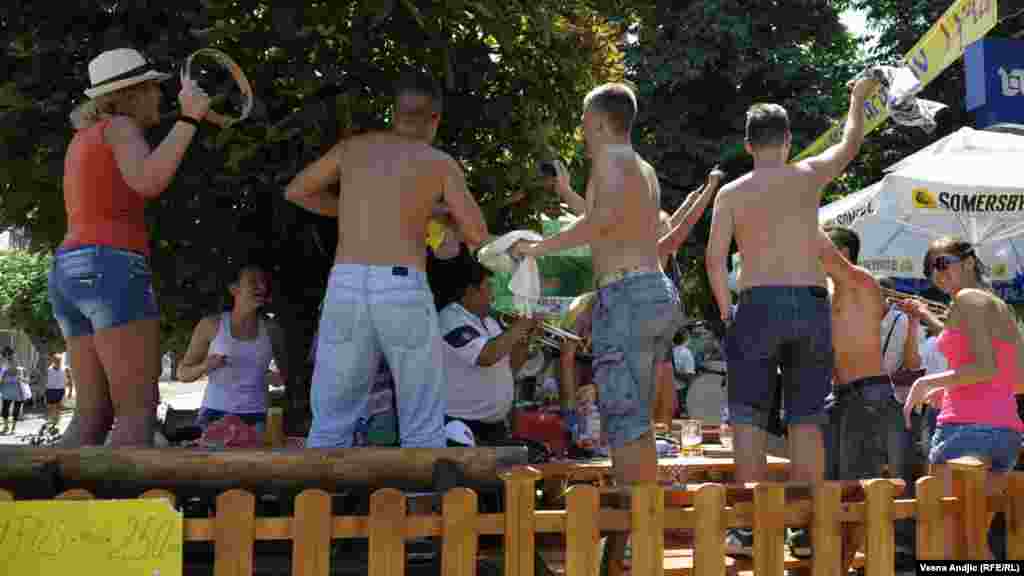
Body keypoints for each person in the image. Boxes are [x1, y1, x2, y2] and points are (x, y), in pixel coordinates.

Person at [512, 83, 683, 575]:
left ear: (601, 121)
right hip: (650, 292)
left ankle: (634, 541)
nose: (582, 131)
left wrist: (535, 249)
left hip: (627, 295)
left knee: (625, 425)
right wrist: (566, 192)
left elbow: (597, 226)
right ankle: (635, 534)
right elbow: (612, 221)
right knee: (636, 424)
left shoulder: (609, 162)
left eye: (585, 121)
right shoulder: (640, 167)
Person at [705, 75, 878, 556]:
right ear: (787, 141)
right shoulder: (808, 175)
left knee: (748, 418)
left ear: (747, 144)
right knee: (806, 418)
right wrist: (856, 99)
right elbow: (850, 144)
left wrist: (727, 311)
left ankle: (748, 530)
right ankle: (805, 532)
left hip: (756, 304)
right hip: (808, 302)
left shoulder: (731, 194)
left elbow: (714, 260)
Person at [286, 69, 489, 448]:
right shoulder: (438, 162)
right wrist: (429, 214)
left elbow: (297, 191)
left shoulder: (352, 149)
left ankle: (319, 504)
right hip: (401, 285)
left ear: (394, 112)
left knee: (330, 422)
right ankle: (421, 505)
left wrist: (352, 210)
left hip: (345, 281)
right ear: (435, 119)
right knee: (422, 422)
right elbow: (477, 234)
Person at [47, 48, 210, 447]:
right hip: (110, 266)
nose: (160, 95)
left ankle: (50, 505)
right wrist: (190, 119)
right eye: (154, 87)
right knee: (136, 415)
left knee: (91, 416)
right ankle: (123, 511)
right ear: (132, 93)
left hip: (68, 269)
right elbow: (149, 181)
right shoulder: (120, 127)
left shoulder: (85, 137)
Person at [548, 158, 722, 431]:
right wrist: (709, 190)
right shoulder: (650, 251)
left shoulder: (644, 246)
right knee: (648, 404)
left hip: (643, 322)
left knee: (657, 404)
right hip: (638, 322)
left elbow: (673, 224)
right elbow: (677, 232)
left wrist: (694, 198)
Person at [903, 237, 1024, 559]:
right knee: (970, 543)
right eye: (930, 269)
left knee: (947, 542)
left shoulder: (967, 299)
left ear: (969, 261)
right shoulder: (1000, 306)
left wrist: (928, 383)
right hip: (1005, 433)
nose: (937, 275)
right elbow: (1017, 379)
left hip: (964, 429)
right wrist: (952, 386)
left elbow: (984, 368)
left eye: (943, 263)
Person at [818, 228, 906, 567]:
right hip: (841, 398)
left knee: (860, 493)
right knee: (841, 495)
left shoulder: (861, 281)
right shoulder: (829, 293)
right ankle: (837, 567)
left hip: (867, 395)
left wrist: (793, 197)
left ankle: (847, 567)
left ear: (840, 250)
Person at [177, 263, 288, 432]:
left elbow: (287, 376)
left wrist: (278, 378)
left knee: (258, 460)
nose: (262, 286)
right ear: (233, 289)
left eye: (263, 282)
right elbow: (183, 374)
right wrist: (204, 366)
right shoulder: (211, 325)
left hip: (258, 416)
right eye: (253, 281)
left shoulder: (272, 329)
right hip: (215, 414)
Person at [440, 260, 538, 444]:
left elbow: (510, 368)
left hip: (494, 427)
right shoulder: (451, 318)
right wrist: (521, 325)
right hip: (462, 424)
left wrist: (526, 339)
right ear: (471, 291)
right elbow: (486, 356)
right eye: (489, 287)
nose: (492, 296)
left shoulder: (490, 322)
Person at [1, 347, 27, 435]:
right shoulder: (4, 364)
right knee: (5, 409)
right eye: (6, 354)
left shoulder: (16, 364)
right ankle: (6, 426)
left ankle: (13, 428)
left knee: (16, 408)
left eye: (9, 354)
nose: (8, 356)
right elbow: (2, 377)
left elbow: (18, 374)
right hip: (7, 388)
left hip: (17, 388)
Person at [671, 331, 696, 417]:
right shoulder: (686, 353)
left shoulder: (669, 352)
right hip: (681, 392)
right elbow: (689, 376)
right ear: (685, 339)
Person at [45, 353, 67, 428]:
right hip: (50, 390)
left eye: (59, 360)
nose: (58, 361)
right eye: (56, 360)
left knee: (58, 407)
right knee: (50, 406)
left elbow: (69, 380)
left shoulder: (65, 369)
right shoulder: (49, 369)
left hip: (60, 390)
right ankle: (51, 419)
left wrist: (70, 391)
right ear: (53, 360)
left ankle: (56, 421)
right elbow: (45, 379)